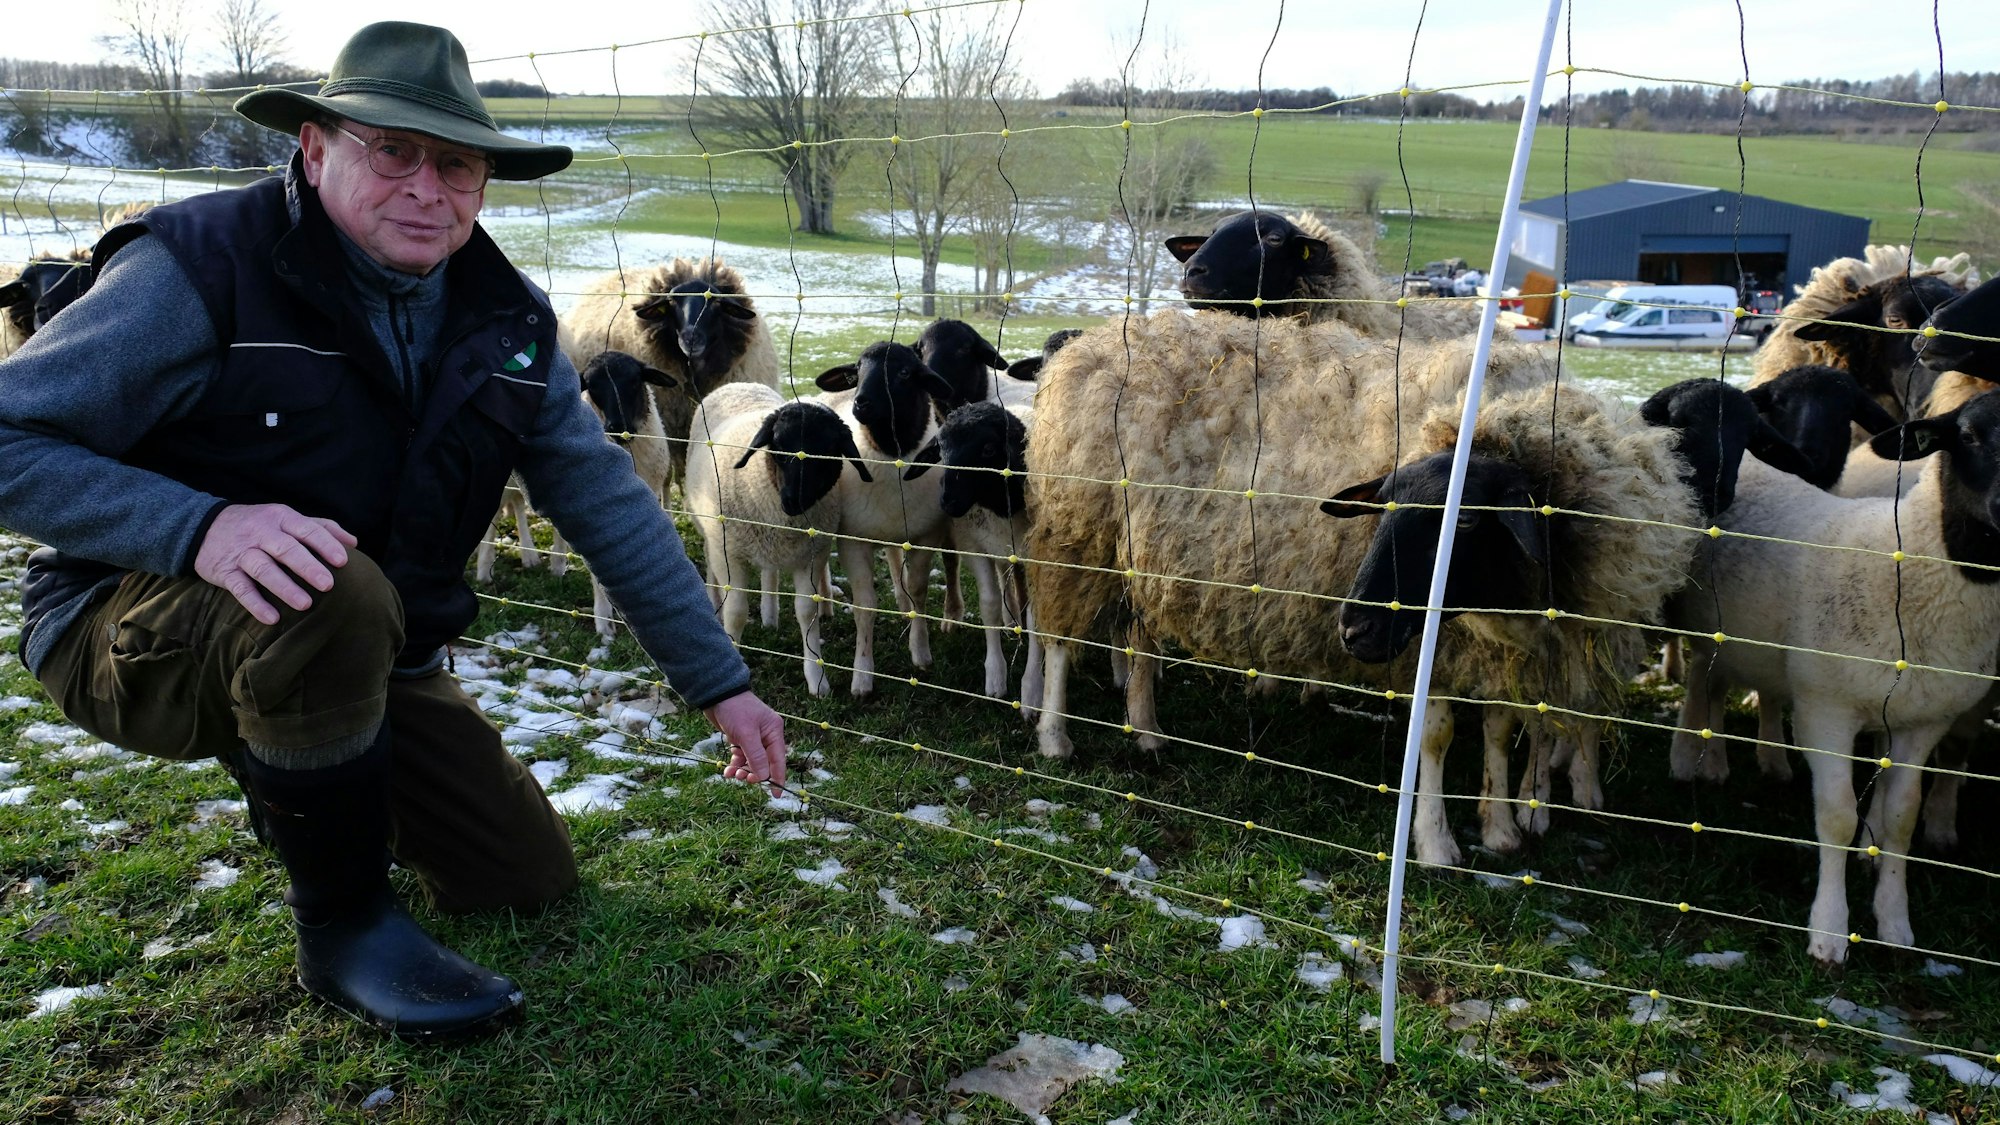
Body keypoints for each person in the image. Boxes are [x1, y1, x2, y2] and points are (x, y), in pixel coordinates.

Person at [0, 22, 788, 1039]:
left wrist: (719, 682)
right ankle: (344, 926)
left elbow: (605, 498)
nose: (427, 188)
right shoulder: (195, 271)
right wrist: (200, 527)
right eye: (393, 151)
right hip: (122, 624)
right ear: (314, 148)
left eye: (456, 164)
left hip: (358, 645)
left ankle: (295, 766)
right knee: (330, 581)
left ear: (484, 183)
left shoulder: (506, 322)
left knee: (521, 876)